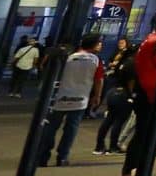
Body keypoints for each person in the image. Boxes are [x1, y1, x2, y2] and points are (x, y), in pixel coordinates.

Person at [119, 12, 156, 176]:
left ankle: (133, 174)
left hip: (145, 92)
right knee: (144, 137)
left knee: (143, 136)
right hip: (150, 94)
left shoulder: (150, 39)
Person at [36, 34, 105, 167]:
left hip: (60, 96)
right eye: (99, 43)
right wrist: (97, 96)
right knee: (71, 130)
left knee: (50, 128)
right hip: (80, 98)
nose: (101, 45)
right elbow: (99, 80)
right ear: (94, 45)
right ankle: (62, 157)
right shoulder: (95, 60)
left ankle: (43, 157)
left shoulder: (68, 57)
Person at [93, 39, 135, 155]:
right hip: (123, 94)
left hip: (113, 91)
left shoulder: (121, 63)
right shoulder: (132, 64)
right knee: (119, 121)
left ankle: (99, 146)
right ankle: (113, 147)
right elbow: (131, 83)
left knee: (109, 120)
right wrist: (132, 96)